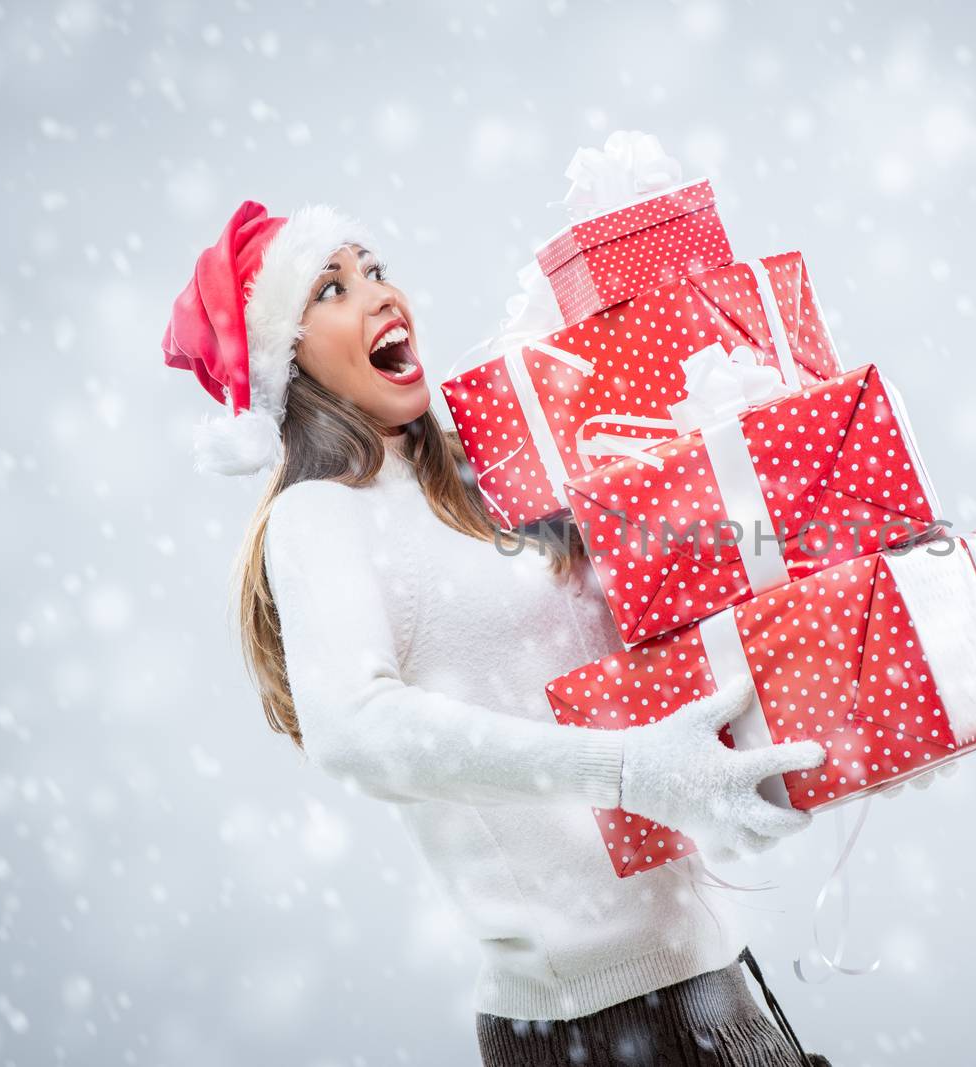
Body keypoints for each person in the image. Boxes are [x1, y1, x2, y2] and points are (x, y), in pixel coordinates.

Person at [161, 199, 838, 1066]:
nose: (378, 294)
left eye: (373, 267)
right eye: (331, 287)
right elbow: (353, 729)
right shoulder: (320, 518)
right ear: (281, 360)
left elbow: (658, 614)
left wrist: (831, 741)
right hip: (591, 1022)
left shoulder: (486, 477)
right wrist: (633, 770)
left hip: (720, 976)